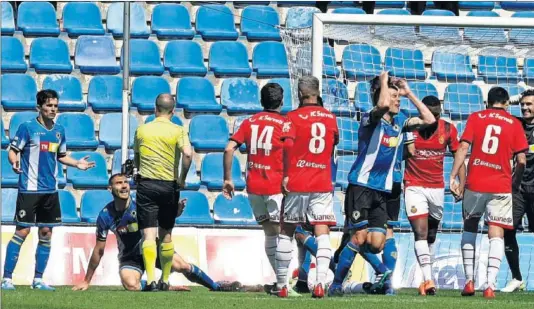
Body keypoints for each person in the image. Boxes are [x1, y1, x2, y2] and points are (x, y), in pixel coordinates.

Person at [329, 72, 436, 296]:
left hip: (383, 190)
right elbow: (382, 105)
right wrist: (384, 81)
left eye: (399, 97)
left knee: (377, 243)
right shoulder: (371, 119)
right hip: (361, 187)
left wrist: (409, 93)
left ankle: (351, 262)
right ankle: (337, 284)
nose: (397, 100)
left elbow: (429, 120)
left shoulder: (400, 125)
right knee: (359, 237)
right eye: (394, 96)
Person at [72, 174, 236, 292]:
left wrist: (175, 213)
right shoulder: (105, 215)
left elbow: (162, 220)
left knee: (183, 266)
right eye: (118, 183)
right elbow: (99, 250)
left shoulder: (141, 204)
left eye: (126, 182)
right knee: (130, 285)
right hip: (130, 257)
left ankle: (216, 286)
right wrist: (87, 281)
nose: (123, 186)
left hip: (152, 249)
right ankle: (160, 286)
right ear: (110, 188)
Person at [1, 90, 95, 291]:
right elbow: (13, 151)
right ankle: (7, 278)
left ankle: (37, 280)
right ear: (39, 107)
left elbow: (61, 155)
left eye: (55, 106)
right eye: (49, 106)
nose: (53, 109)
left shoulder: (59, 130)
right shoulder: (27, 128)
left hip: (50, 191)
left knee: (46, 233)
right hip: (29, 189)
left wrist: (77, 164)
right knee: (22, 231)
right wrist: (14, 161)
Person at [450, 87, 528, 299]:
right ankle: (490, 285)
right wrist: (515, 183)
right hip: (501, 185)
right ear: (506, 103)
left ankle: (468, 281)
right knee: (496, 232)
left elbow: (463, 148)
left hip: (475, 183)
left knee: (470, 226)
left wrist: (453, 176)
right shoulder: (514, 123)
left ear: (488, 102)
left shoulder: (476, 117)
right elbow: (522, 160)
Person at [222, 83, 300, 295]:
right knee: (282, 234)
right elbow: (291, 149)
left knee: (269, 233)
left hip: (254, 186)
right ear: (281, 102)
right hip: (276, 186)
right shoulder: (285, 124)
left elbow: (229, 148)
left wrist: (228, 178)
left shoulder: (250, 122)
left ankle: (281, 282)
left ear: (261, 100)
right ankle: (284, 284)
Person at [274, 76, 339, 298]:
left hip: (298, 180)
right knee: (322, 231)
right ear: (317, 92)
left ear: (300, 93)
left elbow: (287, 147)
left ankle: (282, 285)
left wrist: (285, 175)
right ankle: (320, 283)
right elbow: (332, 144)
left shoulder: (293, 117)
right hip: (322, 181)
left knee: (287, 231)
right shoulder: (330, 118)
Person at [403, 95, 466, 296]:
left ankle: (424, 276)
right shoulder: (411, 127)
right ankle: (428, 279)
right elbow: (405, 154)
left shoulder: (448, 129)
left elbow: (459, 154)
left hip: (436, 188)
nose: (434, 117)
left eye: (437, 114)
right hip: (413, 186)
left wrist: (460, 182)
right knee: (420, 232)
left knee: (431, 234)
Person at [133, 94, 193, 291]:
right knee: (166, 234)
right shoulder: (178, 130)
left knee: (148, 235)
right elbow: (188, 154)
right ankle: (165, 279)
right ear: (173, 111)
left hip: (146, 184)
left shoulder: (142, 129)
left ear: (155, 108)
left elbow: (136, 159)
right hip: (168, 185)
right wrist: (182, 178)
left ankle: (150, 280)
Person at [501, 89, 534, 293]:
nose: (525, 107)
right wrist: (513, 99)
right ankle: (516, 278)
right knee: (508, 230)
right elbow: (493, 111)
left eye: (529, 104)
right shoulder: (515, 124)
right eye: (522, 104)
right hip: (518, 188)